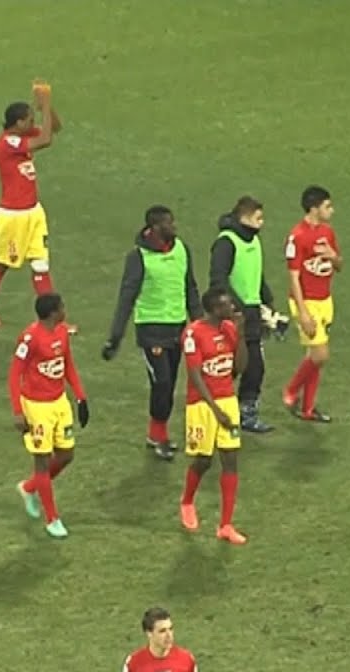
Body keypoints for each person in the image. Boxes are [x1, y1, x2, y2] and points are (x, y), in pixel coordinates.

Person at [103, 205, 201, 460]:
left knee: (168, 385)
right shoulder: (138, 258)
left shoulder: (182, 249)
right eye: (169, 223)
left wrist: (201, 325)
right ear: (154, 228)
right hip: (152, 331)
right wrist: (115, 337)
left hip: (177, 327)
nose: (175, 226)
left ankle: (157, 434)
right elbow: (127, 297)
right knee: (162, 382)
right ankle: (158, 436)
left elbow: (190, 288)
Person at [0, 79, 65, 329]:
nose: (33, 123)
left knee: (41, 263)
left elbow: (54, 130)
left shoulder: (22, 134)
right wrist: (43, 106)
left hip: (34, 212)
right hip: (13, 215)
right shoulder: (7, 143)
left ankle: (52, 319)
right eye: (29, 120)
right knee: (2, 264)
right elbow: (44, 140)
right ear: (18, 123)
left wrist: (47, 105)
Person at [10, 293, 88, 538]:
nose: (65, 310)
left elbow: (68, 365)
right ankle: (52, 518)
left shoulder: (62, 333)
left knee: (66, 455)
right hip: (36, 407)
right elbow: (14, 375)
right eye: (62, 307)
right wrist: (18, 411)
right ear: (53, 312)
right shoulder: (30, 338)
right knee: (42, 461)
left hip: (59, 403)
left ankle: (29, 488)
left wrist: (80, 396)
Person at [209, 195, 285, 433]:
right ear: (244, 217)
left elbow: (256, 274)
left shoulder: (253, 241)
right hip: (231, 314)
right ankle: (211, 407)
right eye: (258, 218)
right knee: (227, 366)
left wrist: (268, 300)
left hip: (250, 313)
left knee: (254, 366)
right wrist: (237, 308)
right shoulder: (226, 243)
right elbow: (218, 280)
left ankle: (245, 412)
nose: (262, 223)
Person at [179, 288, 248, 545]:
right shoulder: (192, 333)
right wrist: (216, 410)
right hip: (202, 404)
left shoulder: (229, 329)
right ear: (213, 309)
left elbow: (239, 368)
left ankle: (226, 526)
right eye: (226, 305)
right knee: (203, 460)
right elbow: (195, 376)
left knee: (230, 461)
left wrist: (240, 335)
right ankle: (187, 501)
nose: (231, 308)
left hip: (227, 399)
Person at [282, 185, 343, 422]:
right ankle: (290, 390)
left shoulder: (328, 233)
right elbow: (294, 278)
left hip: (325, 300)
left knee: (314, 354)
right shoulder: (296, 237)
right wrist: (304, 313)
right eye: (328, 206)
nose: (332, 210)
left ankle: (307, 409)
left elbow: (340, 266)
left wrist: (332, 256)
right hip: (306, 302)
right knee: (320, 355)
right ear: (314, 208)